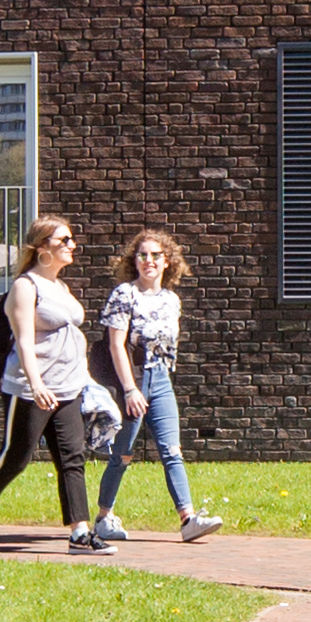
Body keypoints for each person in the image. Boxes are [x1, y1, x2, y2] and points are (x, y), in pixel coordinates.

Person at [0, 216, 103, 549]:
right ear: (42, 247)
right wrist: (36, 385)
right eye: (64, 240)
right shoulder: (26, 286)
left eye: (71, 239)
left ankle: (80, 533)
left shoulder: (60, 287)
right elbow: (23, 341)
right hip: (30, 388)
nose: (72, 245)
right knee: (16, 457)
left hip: (68, 387)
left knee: (72, 458)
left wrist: (86, 381)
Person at [83, 228, 229, 549]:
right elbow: (116, 345)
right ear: (133, 261)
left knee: (172, 451)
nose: (149, 260)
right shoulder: (125, 294)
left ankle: (188, 520)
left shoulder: (171, 300)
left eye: (156, 255)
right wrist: (129, 390)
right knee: (122, 454)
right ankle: (104, 517)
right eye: (143, 255)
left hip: (161, 379)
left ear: (167, 261)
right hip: (133, 379)